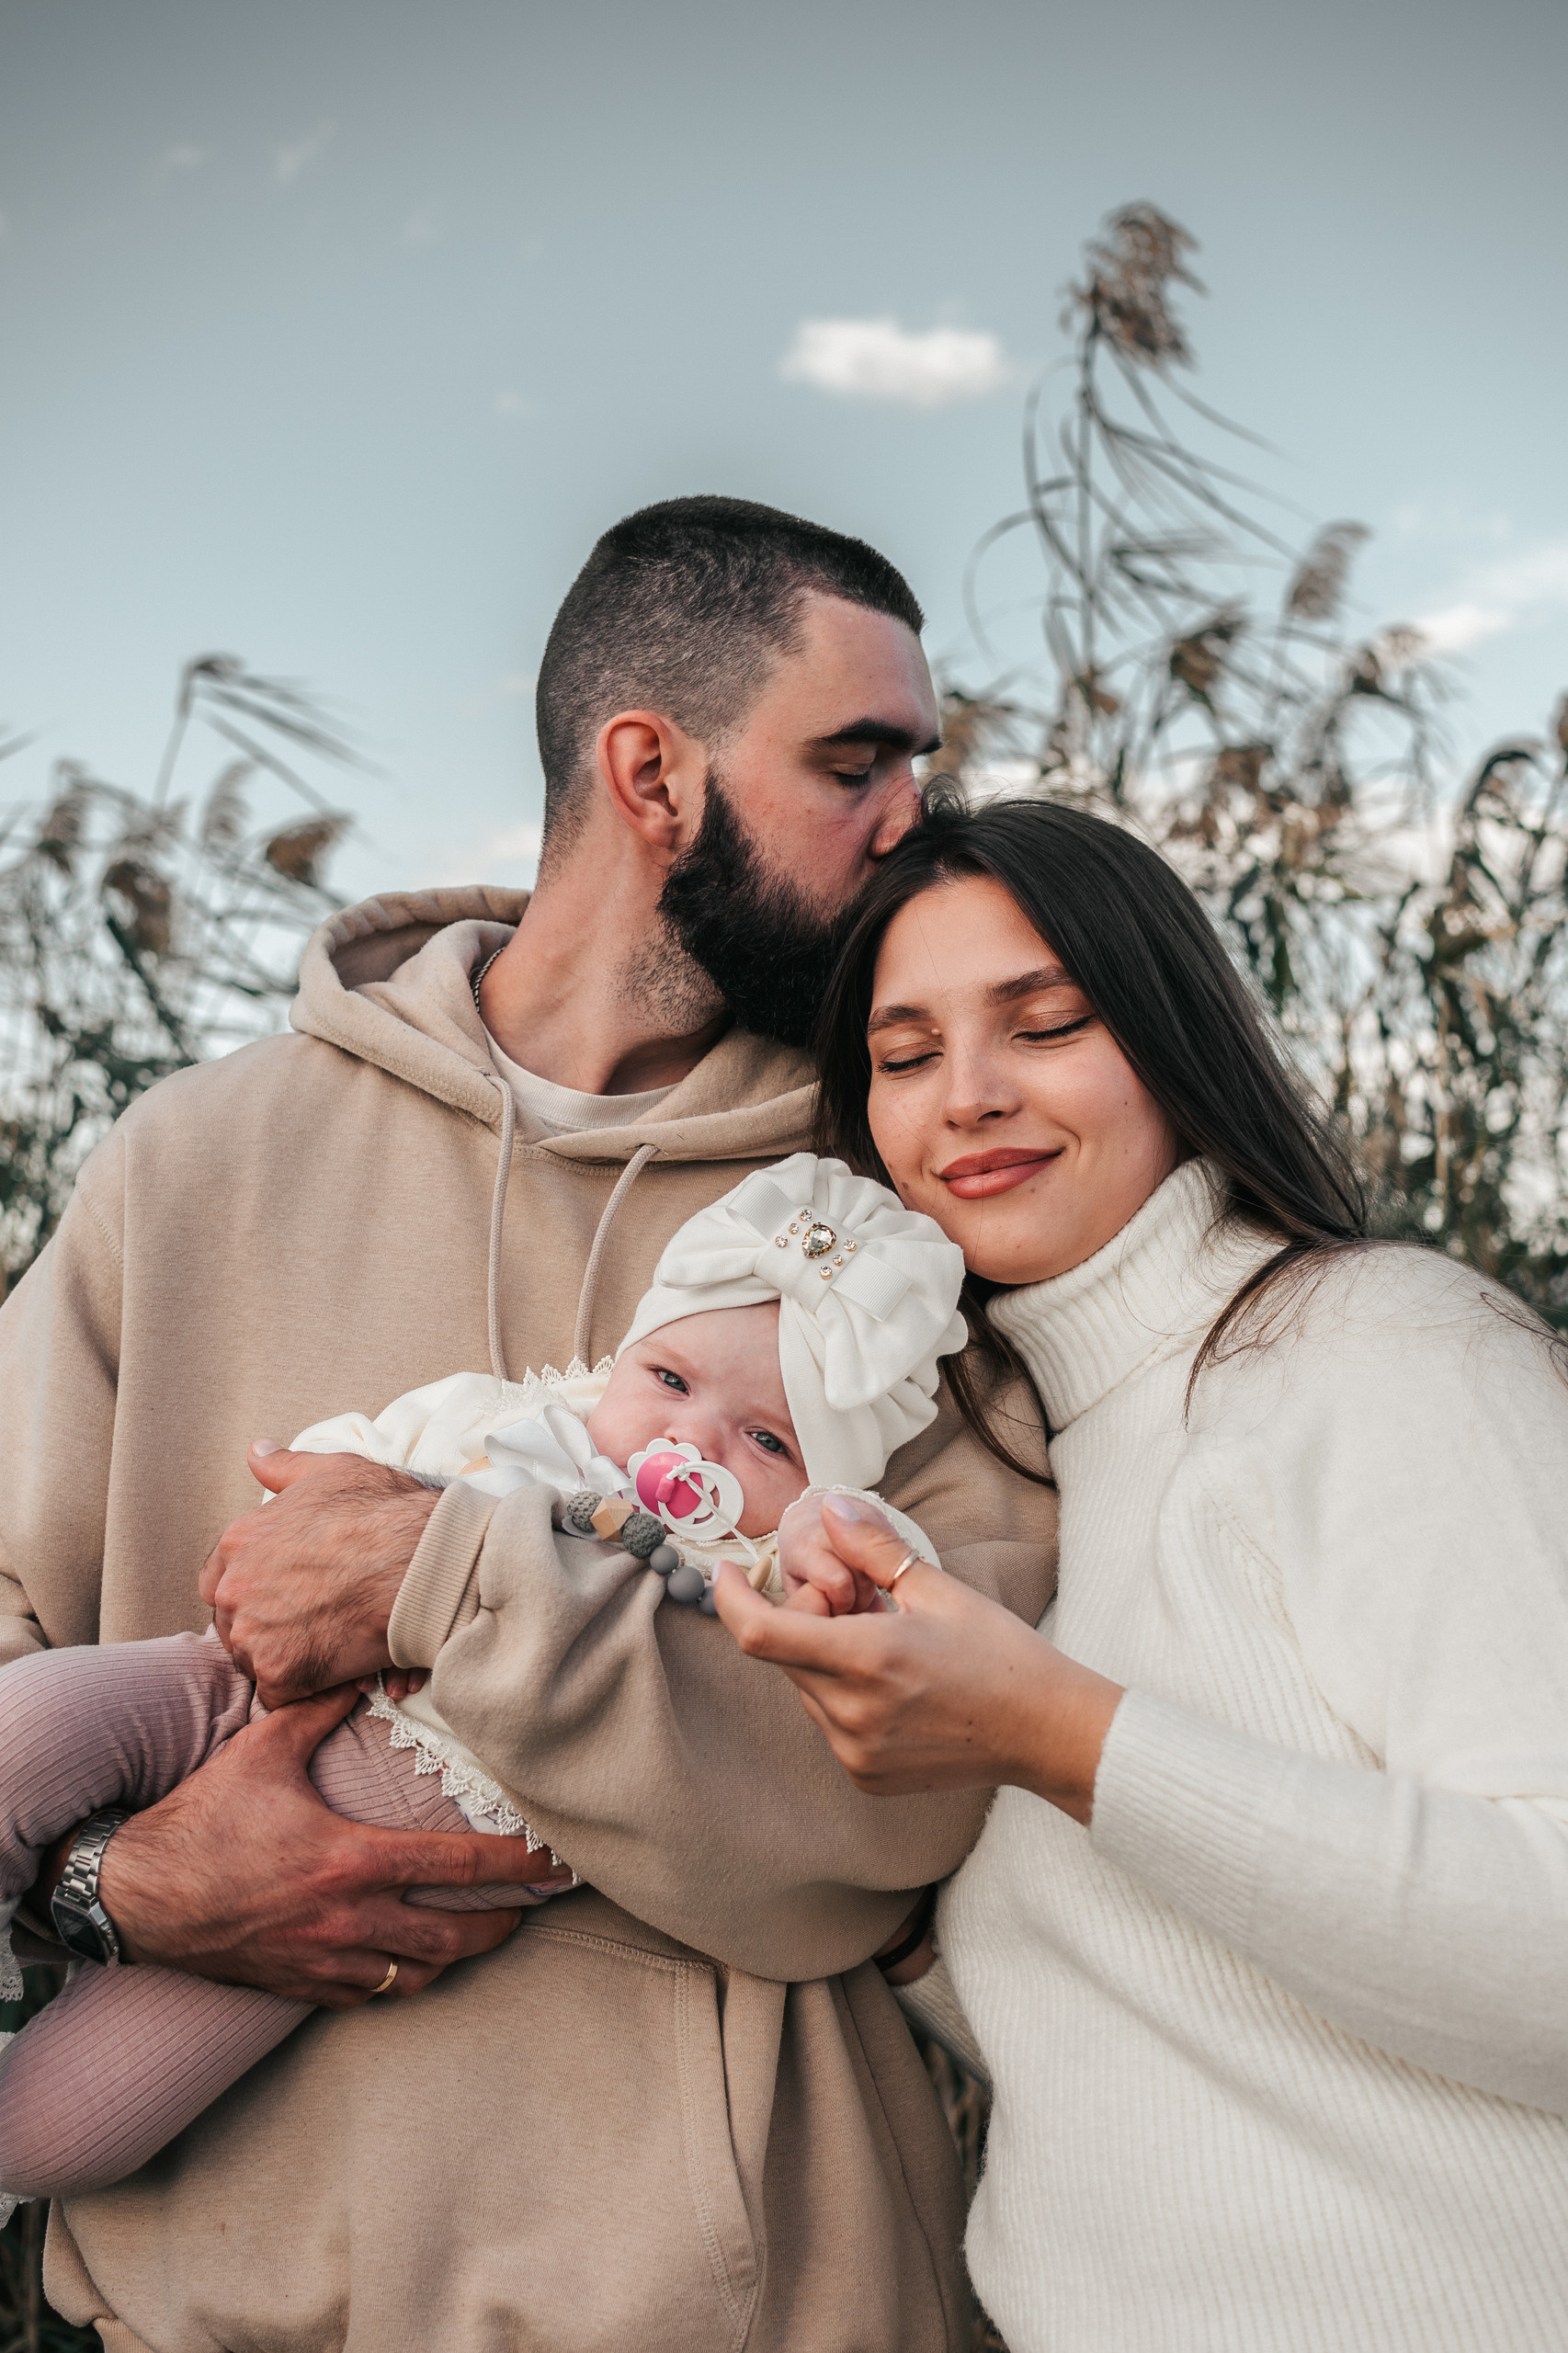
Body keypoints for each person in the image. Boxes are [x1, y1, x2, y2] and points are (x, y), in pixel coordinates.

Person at [0, 503, 1055, 2353]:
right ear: (650, 770)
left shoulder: (884, 1231)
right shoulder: (194, 1161)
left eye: (916, 762)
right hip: (193, 2316)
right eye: (852, 759)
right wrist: (120, 1884)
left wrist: (462, 1582)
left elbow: (920, 1782)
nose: (912, 818)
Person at [716, 794, 1568, 2353]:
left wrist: (1064, 1738)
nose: (967, 1098)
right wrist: (907, 1931)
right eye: (903, 1061)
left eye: (1044, 1025)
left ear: (1175, 1036)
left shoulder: (1379, 1350)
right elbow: (1159, 2040)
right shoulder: (1001, 1481)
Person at [0, 1152, 968, 2201]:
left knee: (71, 2125)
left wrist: (838, 1556)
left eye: (767, 1439)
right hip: (245, 1674)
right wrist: (311, 1513)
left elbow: (876, 1633)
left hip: (406, 1827)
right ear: (629, 1353)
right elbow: (343, 1474)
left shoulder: (765, 1565)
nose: (690, 1436)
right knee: (28, 1721)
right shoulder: (521, 1421)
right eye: (670, 1380)